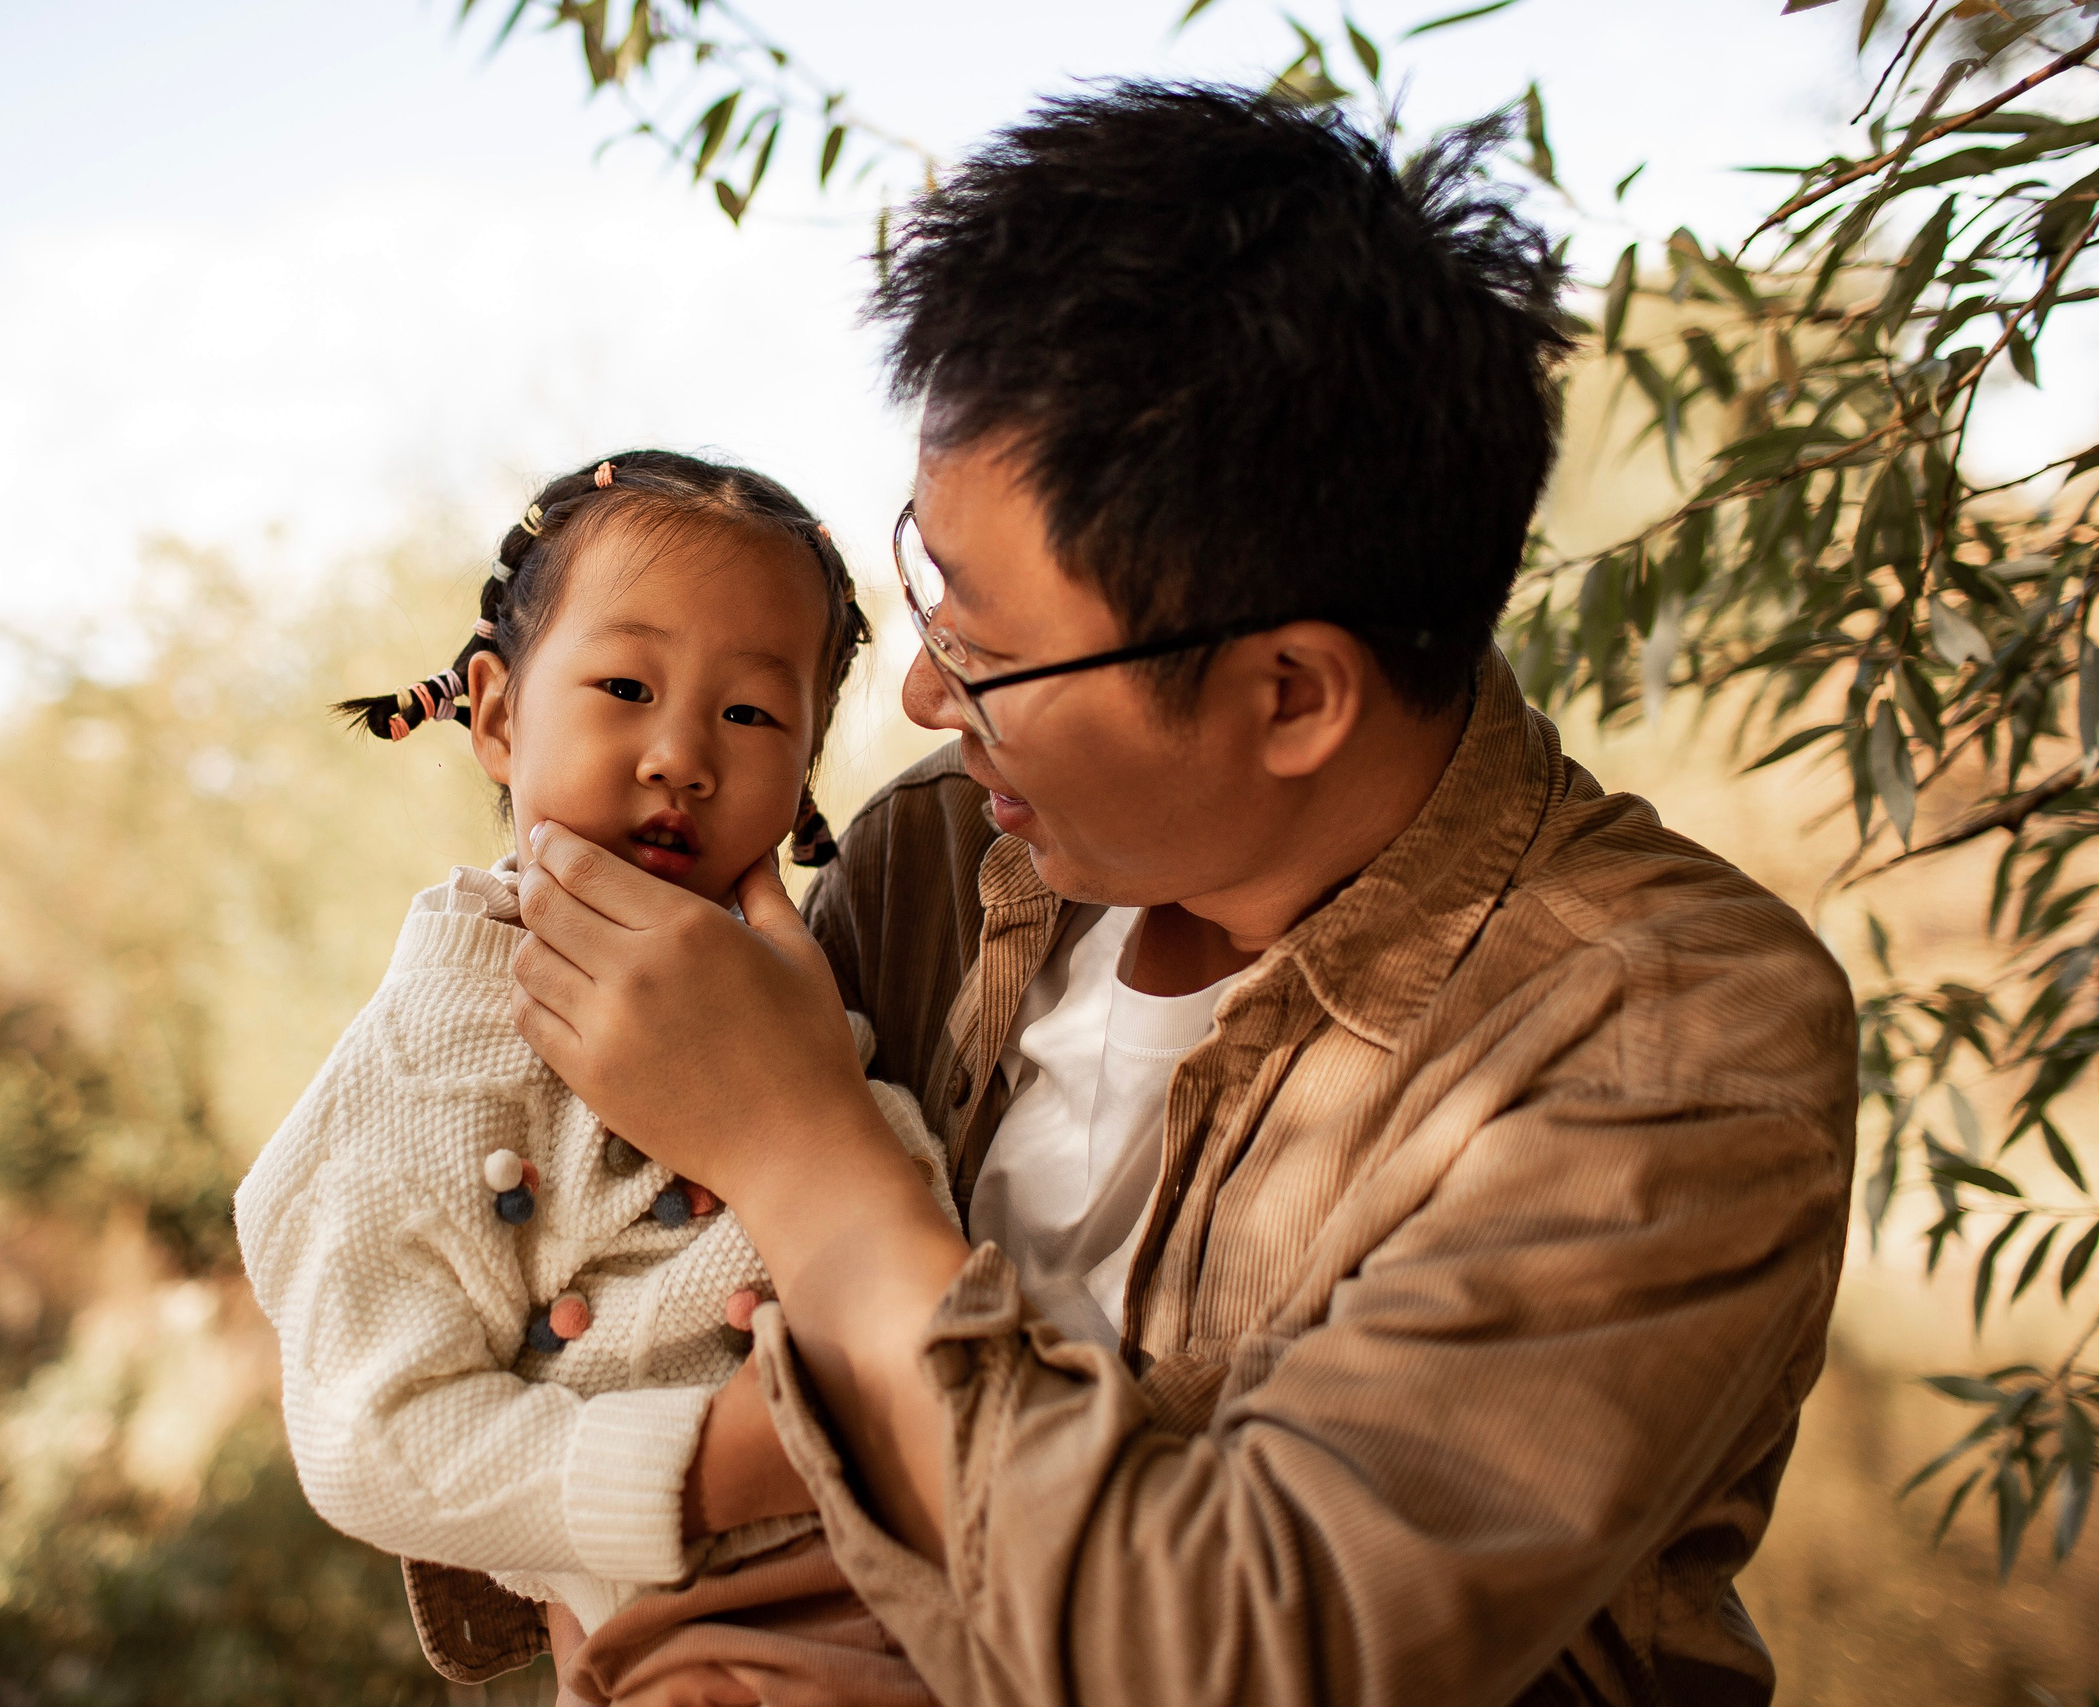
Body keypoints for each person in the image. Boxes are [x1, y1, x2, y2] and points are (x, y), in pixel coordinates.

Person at [504, 86, 1859, 1704]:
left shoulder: (1661, 1034)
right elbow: (578, 1336)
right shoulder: (943, 854)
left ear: (1293, 694)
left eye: (994, 652)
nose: (927, 694)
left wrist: (809, 1154)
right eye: (925, 585)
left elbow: (1244, 1651)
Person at [234, 451, 955, 1707]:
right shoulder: (439, 1054)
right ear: (498, 716)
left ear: (801, 781)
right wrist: (725, 1462)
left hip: (958, 1567)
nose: (680, 754)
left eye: (749, 714)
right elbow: (367, 1439)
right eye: (624, 686)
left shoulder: (818, 978)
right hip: (708, 1635)